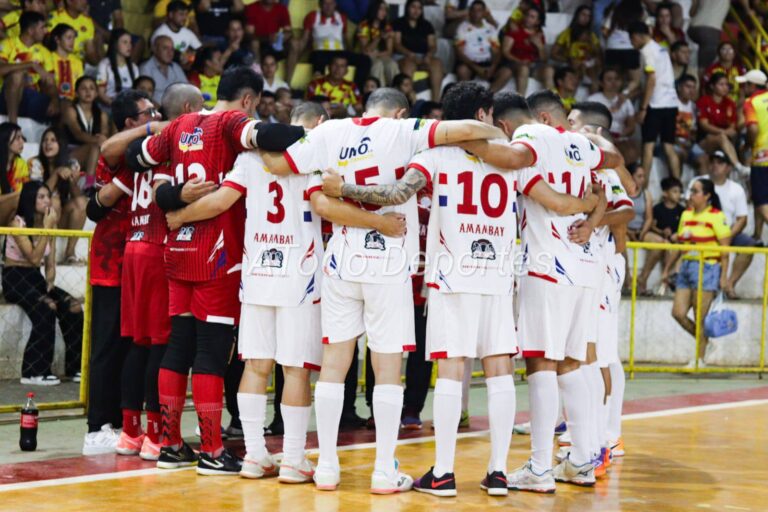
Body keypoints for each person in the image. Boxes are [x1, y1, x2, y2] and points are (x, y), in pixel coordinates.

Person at [260, 87, 507, 493]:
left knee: (335, 365)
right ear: (401, 111)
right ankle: (382, 471)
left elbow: (280, 165)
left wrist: (251, 141)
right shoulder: (404, 131)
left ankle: (326, 467)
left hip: (341, 260)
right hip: (390, 262)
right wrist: (491, 130)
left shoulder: (330, 131)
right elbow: (465, 128)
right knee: (388, 369)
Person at [164, 101, 406, 482]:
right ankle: (293, 458)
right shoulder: (314, 160)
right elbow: (325, 207)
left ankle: (255, 455)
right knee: (296, 369)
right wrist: (380, 222)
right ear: (319, 125)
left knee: (256, 365)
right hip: (300, 275)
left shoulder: (250, 158)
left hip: (258, 271)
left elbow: (219, 201)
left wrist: (178, 216)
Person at [411, 86, 599, 497]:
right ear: (483, 114)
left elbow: (400, 191)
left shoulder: (433, 156)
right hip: (498, 278)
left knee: (450, 370)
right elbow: (560, 203)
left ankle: (443, 472)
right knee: (499, 371)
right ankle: (497, 471)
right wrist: (590, 203)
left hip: (451, 275)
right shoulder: (513, 163)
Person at [126, 66, 307, 475]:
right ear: (248, 100)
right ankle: (211, 449)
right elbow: (273, 137)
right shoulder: (231, 122)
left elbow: (137, 158)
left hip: (177, 247)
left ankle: (170, 446)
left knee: (178, 346)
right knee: (211, 350)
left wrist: (172, 194)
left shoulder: (180, 124)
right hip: (218, 253)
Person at [456, 90, 620, 491]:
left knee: (541, 364)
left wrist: (458, 136)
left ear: (509, 126)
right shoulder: (582, 143)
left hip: (548, 266)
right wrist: (592, 218)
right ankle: (584, 458)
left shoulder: (529, 138)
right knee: (572, 363)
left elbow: (536, 183)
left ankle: (540, 468)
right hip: (584, 267)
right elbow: (609, 177)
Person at [106, 85, 203, 462]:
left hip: (134, 246)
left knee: (138, 343)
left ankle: (130, 433)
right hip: (159, 248)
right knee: (161, 345)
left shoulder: (138, 151)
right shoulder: (174, 144)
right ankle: (155, 435)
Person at [82, 90, 165, 456]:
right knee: (107, 347)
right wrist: (153, 126)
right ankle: (97, 426)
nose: (157, 115)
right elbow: (106, 149)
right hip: (111, 264)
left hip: (140, 263)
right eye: (148, 113)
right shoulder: (121, 152)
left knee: (136, 344)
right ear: (132, 122)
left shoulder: (149, 150)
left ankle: (125, 423)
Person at [567, 100, 635, 467]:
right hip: (588, 262)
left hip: (604, 263)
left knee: (601, 353)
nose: (567, 124)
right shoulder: (585, 159)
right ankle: (591, 430)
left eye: (573, 120)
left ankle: (606, 435)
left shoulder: (600, 159)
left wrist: (593, 221)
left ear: (592, 130)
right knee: (588, 350)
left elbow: (628, 207)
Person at [2, 181, 83, 386]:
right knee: (46, 307)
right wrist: (47, 229)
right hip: (14, 277)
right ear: (30, 199)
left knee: (73, 306)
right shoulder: (17, 223)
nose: (47, 201)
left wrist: (50, 282)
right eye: (41, 197)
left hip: (35, 277)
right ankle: (33, 372)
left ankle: (75, 368)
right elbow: (33, 258)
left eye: (48, 196)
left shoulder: (49, 223)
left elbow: (49, 261)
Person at [672, 178, 731, 368]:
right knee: (678, 312)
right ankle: (705, 342)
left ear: (707, 196)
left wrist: (723, 276)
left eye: (696, 191)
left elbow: (725, 248)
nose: (691, 195)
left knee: (700, 315)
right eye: (691, 191)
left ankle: (699, 359)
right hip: (688, 265)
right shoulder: (686, 214)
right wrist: (675, 266)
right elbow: (684, 244)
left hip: (707, 266)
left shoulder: (716, 215)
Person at [689, 151, 757, 299]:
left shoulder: (736, 189)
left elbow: (742, 219)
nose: (715, 165)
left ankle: (729, 284)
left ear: (728, 168)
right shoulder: (699, 182)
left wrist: (726, 236)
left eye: (720, 162)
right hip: (700, 231)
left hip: (727, 232)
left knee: (749, 246)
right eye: (713, 161)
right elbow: (688, 208)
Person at [629, 21, 681, 181]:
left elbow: (651, 79)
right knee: (669, 147)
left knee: (648, 147)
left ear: (637, 36)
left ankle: (643, 189)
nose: (632, 44)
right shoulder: (661, 48)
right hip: (671, 103)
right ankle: (677, 185)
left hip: (655, 104)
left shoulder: (646, 52)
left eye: (632, 40)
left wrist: (643, 108)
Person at [28, 128, 86, 263]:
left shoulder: (72, 164)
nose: (48, 144)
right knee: (53, 202)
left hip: (62, 217)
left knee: (82, 203)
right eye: (45, 140)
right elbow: (39, 194)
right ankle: (43, 250)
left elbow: (77, 196)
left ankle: (70, 253)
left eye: (53, 140)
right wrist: (56, 174)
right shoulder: (34, 163)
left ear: (61, 144)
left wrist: (71, 180)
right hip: (37, 217)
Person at [298, 0, 371, 89]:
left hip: (339, 52)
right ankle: (319, 89)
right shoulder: (312, 16)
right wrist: (298, 57)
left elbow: (345, 39)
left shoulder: (341, 17)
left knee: (365, 60)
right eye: (325, 3)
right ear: (320, 5)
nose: (328, 6)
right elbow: (304, 39)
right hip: (320, 52)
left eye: (331, 3)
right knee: (318, 57)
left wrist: (351, 53)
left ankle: (356, 90)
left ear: (335, 5)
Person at [0, 11, 57, 124]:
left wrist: (55, 100)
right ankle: (13, 125)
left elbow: (50, 82)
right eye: (42, 28)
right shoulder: (7, 44)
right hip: (4, 97)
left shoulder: (45, 52)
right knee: (17, 75)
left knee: (64, 106)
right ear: (31, 31)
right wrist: (30, 64)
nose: (45, 31)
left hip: (31, 99)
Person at [636, 176, 684, 295]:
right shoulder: (658, 209)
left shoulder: (682, 210)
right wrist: (661, 232)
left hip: (673, 242)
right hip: (662, 240)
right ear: (665, 193)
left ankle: (665, 278)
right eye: (675, 191)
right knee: (662, 247)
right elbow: (652, 225)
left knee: (671, 248)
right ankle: (663, 279)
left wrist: (676, 235)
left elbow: (684, 228)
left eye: (679, 192)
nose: (678, 195)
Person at [696, 73, 749, 177]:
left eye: (726, 84)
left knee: (741, 141)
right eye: (721, 84)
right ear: (712, 86)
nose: (725, 87)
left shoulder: (730, 103)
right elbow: (704, 125)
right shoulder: (704, 101)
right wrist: (723, 132)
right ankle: (738, 166)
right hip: (705, 139)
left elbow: (733, 124)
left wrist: (729, 131)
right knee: (721, 137)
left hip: (727, 138)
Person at [60, 76, 109, 187]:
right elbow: (78, 134)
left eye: (91, 88)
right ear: (76, 93)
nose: (88, 91)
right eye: (83, 88)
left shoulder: (102, 114)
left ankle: (98, 182)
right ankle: (89, 185)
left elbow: (104, 135)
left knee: (99, 147)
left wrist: (102, 140)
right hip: (70, 152)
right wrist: (98, 140)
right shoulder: (70, 110)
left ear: (96, 93)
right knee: (96, 146)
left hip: (93, 152)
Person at [454, 0, 511, 92]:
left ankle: (488, 96)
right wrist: (477, 68)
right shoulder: (462, 28)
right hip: (470, 63)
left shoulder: (490, 28)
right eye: (474, 10)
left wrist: (493, 67)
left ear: (484, 12)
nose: (476, 13)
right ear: (470, 12)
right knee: (462, 70)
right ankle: (467, 96)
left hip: (487, 63)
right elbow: (459, 53)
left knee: (507, 71)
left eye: (480, 10)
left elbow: (496, 51)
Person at [393, 0, 444, 101]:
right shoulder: (399, 23)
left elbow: (433, 45)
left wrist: (429, 55)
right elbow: (397, 44)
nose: (416, 10)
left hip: (423, 57)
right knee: (409, 65)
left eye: (419, 8)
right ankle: (408, 100)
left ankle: (435, 101)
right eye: (413, 7)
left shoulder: (427, 25)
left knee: (437, 63)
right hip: (404, 56)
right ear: (407, 8)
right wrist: (409, 54)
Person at [587, 68, 637, 163]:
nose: (613, 82)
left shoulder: (626, 102)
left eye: (616, 79)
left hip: (621, 138)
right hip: (599, 136)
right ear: (601, 83)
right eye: (609, 79)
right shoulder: (592, 99)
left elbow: (631, 126)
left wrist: (619, 136)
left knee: (631, 152)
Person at [741, 69, 768, 240]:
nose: (743, 88)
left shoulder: (751, 102)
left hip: (762, 156)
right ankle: (757, 235)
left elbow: (752, 128)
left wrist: (747, 146)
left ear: (752, 85)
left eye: (745, 84)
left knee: (761, 199)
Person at [244, 0, 297, 83]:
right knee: (254, 43)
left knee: (294, 44)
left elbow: (289, 31)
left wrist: (282, 37)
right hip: (259, 46)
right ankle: (258, 80)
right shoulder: (252, 8)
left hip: (275, 46)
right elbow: (249, 35)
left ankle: (287, 83)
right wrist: (268, 38)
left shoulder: (281, 9)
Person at [552, 5, 601, 93]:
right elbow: (554, 53)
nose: (586, 18)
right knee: (576, 71)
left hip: (588, 67)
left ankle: (594, 104)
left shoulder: (592, 36)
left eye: (589, 16)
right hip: (570, 65)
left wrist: (591, 44)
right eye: (583, 14)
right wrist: (568, 59)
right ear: (577, 15)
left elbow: (599, 55)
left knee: (593, 74)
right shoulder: (566, 34)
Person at [501, 5, 548, 96]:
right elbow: (505, 52)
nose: (528, 18)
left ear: (537, 21)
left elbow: (544, 59)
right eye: (527, 15)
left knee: (549, 70)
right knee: (524, 69)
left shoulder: (539, 35)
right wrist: (520, 61)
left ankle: (553, 102)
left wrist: (539, 46)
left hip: (534, 66)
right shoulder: (515, 30)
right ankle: (520, 101)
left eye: (532, 17)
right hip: (516, 64)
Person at [357, 1, 399, 87]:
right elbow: (366, 51)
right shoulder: (363, 25)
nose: (384, 12)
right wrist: (379, 37)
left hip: (381, 55)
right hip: (366, 56)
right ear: (374, 10)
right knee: (377, 64)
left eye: (385, 10)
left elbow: (389, 51)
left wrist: (377, 54)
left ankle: (397, 93)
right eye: (381, 9)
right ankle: (379, 94)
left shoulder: (387, 27)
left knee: (392, 64)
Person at [139, 35, 188, 104]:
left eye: (172, 49)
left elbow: (187, 89)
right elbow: (144, 97)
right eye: (165, 48)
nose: (170, 53)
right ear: (155, 49)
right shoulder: (146, 68)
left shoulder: (176, 67)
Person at [47, 0, 98, 65]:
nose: (85, 1)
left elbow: (90, 51)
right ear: (69, 1)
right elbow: (49, 43)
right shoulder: (55, 16)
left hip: (79, 64)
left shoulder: (87, 21)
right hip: (57, 62)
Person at [97, 29, 139, 106]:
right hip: (109, 106)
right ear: (115, 44)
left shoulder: (134, 67)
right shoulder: (104, 64)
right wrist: (115, 105)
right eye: (125, 42)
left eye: (130, 42)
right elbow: (100, 93)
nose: (129, 46)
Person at [44, 23, 84, 102]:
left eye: (73, 38)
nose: (72, 42)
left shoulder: (77, 62)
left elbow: (80, 86)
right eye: (69, 38)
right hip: (52, 102)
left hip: (73, 103)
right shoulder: (47, 58)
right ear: (57, 39)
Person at [0, 122, 28, 224]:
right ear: (5, 140)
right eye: (17, 138)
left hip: (14, 214)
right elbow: (19, 195)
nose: (22, 142)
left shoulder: (21, 164)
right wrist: (16, 195)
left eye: (22, 138)